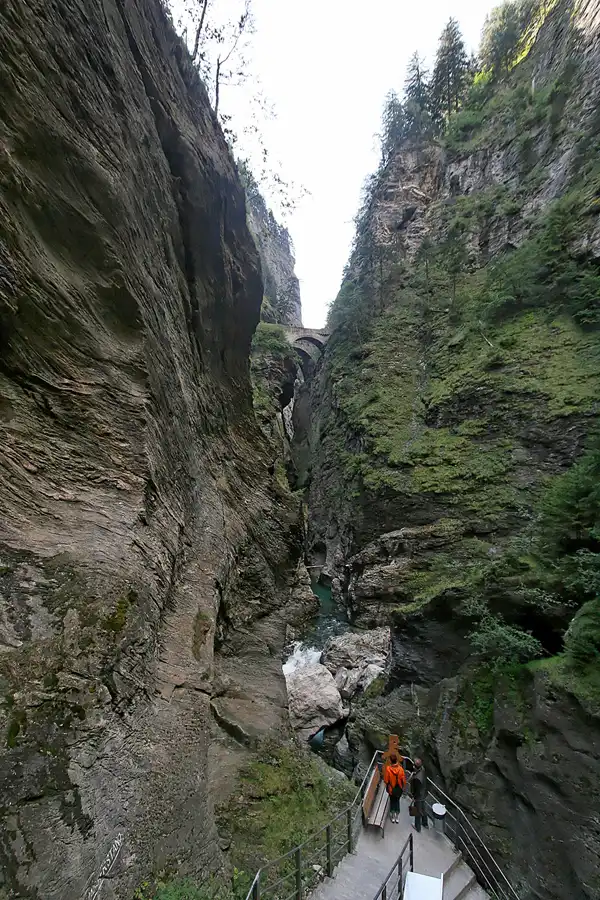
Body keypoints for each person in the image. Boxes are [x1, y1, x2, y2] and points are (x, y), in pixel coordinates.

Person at [383, 753, 406, 824]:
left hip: (391, 789)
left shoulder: (388, 769)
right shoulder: (401, 769)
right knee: (397, 801)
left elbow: (386, 780)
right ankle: (397, 817)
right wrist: (403, 787)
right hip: (399, 789)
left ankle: (393, 817)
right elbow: (404, 780)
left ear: (390, 761)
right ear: (396, 760)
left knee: (392, 801)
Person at [410, 758, 428, 832]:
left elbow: (416, 790)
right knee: (423, 809)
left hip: (418, 796)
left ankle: (417, 827)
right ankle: (425, 823)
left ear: (414, 766)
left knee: (417, 811)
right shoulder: (422, 770)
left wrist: (414, 797)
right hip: (424, 793)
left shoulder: (417, 779)